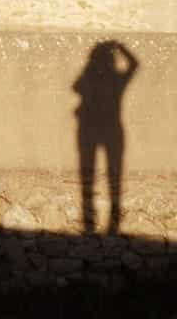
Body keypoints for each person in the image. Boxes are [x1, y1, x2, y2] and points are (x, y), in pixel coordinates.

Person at [72, 41, 139, 234]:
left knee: (93, 176)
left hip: (93, 131)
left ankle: (92, 226)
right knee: (110, 176)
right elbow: (134, 64)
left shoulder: (92, 78)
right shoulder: (115, 80)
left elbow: (75, 87)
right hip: (108, 131)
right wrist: (121, 48)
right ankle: (109, 225)